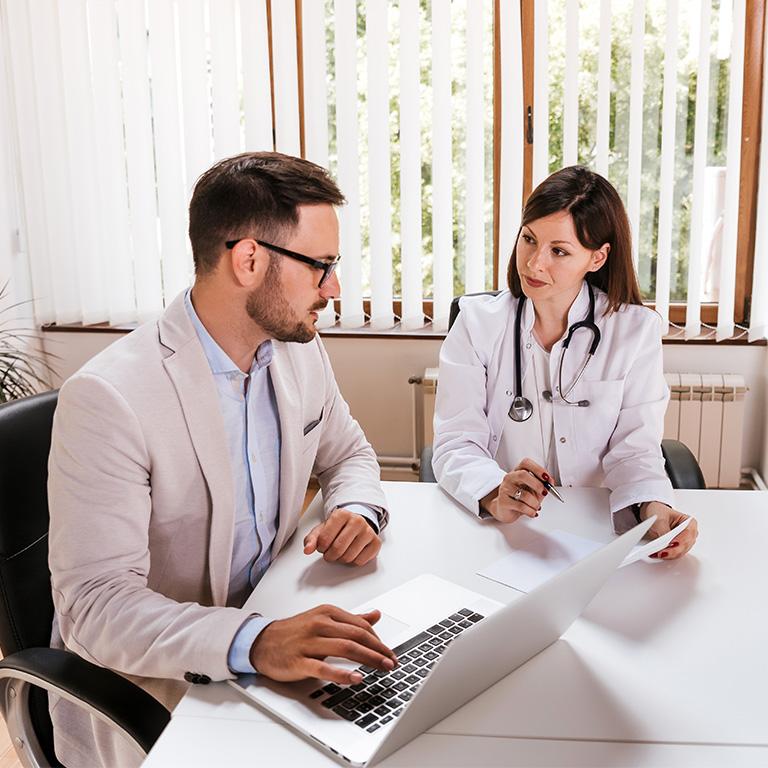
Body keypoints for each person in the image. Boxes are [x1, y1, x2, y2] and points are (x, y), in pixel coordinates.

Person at [47, 152, 397, 767]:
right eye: (320, 266)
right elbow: (95, 607)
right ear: (249, 260)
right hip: (160, 681)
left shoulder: (296, 349)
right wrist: (255, 641)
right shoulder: (109, 398)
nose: (333, 288)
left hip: (277, 621)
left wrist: (358, 511)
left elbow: (349, 453)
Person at [432, 165, 698, 557]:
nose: (534, 263)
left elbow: (635, 450)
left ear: (597, 258)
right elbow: (456, 442)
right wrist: (493, 491)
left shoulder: (634, 332)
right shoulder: (477, 324)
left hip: (599, 533)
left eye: (559, 251)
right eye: (529, 239)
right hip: (505, 533)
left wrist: (651, 509)